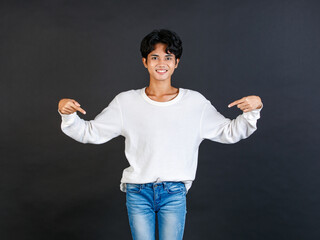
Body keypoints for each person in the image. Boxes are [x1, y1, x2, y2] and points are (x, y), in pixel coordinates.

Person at [58, 29, 263, 240]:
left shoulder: (195, 103)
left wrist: (253, 110)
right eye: (154, 57)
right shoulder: (125, 102)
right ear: (145, 62)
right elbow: (91, 132)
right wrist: (68, 115)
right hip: (138, 193)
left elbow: (228, 132)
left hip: (174, 192)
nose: (161, 63)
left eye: (168, 57)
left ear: (176, 62)